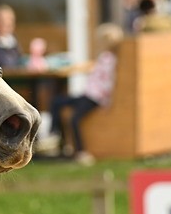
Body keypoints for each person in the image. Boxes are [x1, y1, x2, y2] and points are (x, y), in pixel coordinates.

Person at [49, 23, 124, 164]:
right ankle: (56, 136)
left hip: (94, 97)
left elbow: (108, 82)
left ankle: (81, 151)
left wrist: (107, 101)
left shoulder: (108, 59)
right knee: (58, 102)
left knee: (74, 119)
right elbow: (95, 67)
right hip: (89, 95)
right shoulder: (105, 58)